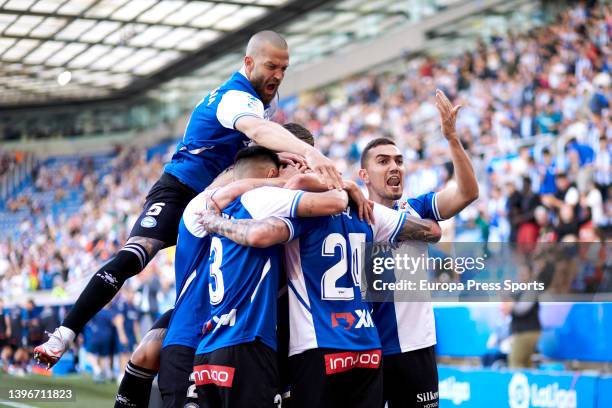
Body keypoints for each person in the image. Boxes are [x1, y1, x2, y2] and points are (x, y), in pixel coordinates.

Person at [35, 30, 342, 369]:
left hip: (217, 201)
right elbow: (257, 131)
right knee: (136, 255)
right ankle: (65, 333)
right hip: (180, 190)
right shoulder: (236, 99)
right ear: (249, 62)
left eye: (284, 68)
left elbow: (257, 146)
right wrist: (313, 155)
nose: (279, 76)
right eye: (272, 66)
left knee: (218, 281)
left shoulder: (261, 100)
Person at [114, 123, 330, 408]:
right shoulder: (223, 207)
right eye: (299, 164)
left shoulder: (306, 218)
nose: (305, 174)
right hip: (214, 342)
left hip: (287, 347)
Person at [197, 187, 442, 408]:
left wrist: (215, 222)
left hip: (317, 345)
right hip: (367, 344)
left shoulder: (304, 216)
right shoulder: (366, 211)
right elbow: (431, 231)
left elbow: (259, 234)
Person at [357, 89, 478, 408]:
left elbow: (467, 193)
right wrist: (430, 232)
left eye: (398, 160)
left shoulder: (416, 206)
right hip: (369, 350)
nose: (394, 167)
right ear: (364, 175)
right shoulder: (351, 216)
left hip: (417, 350)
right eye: (383, 161)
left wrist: (452, 138)